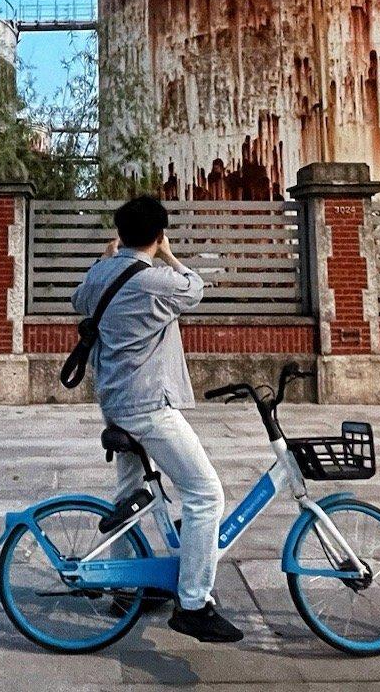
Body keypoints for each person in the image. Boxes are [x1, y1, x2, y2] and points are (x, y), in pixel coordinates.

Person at [70, 195, 243, 644]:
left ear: (121, 232)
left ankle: (133, 586)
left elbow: (78, 301)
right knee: (205, 495)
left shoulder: (100, 272)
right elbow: (197, 287)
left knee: (134, 494)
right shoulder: (158, 281)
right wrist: (166, 252)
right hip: (148, 406)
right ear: (158, 233)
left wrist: (107, 257)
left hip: (114, 400)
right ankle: (193, 602)